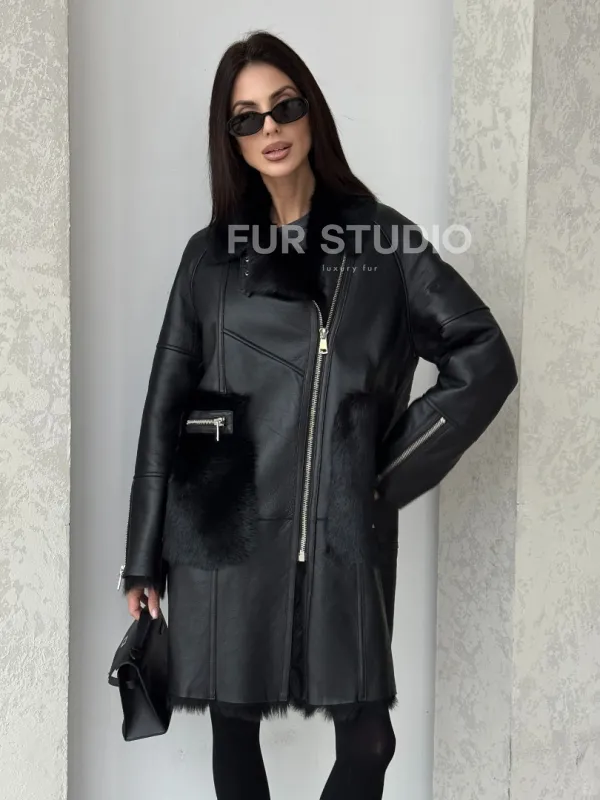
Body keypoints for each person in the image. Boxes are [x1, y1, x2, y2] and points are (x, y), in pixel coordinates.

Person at [117, 29, 518, 800]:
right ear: (231, 139)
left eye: (285, 106)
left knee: (370, 739)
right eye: (247, 118)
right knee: (234, 727)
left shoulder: (381, 241)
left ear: (312, 113)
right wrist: (142, 558)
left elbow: (483, 357)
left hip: (339, 530)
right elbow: (164, 404)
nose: (269, 128)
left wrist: (383, 472)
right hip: (224, 524)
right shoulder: (209, 258)